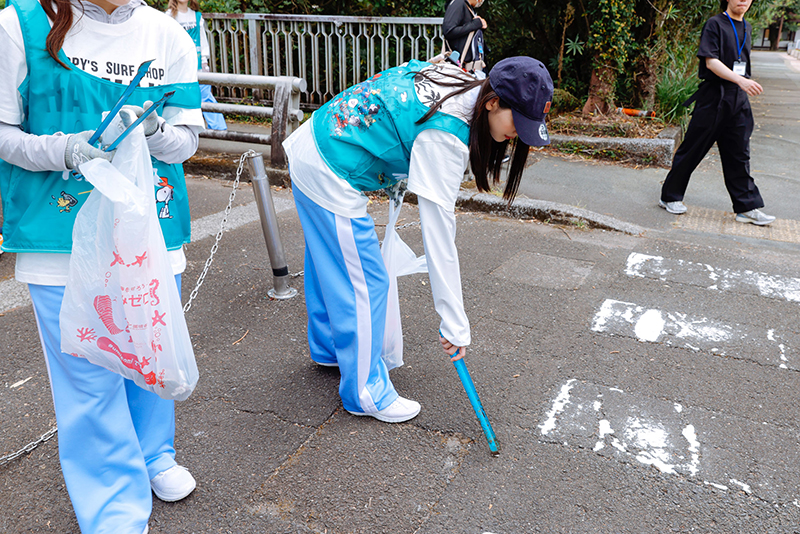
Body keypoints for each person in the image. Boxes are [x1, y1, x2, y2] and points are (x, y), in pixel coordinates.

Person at [0, 0, 205, 531]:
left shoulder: (169, 36)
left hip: (147, 232)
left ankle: (154, 453)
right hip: (56, 238)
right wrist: (65, 149)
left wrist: (155, 129)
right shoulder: (19, 25)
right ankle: (113, 504)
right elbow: (3, 133)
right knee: (87, 379)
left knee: (149, 353)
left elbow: (186, 142)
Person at [283, 56, 553, 423]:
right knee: (367, 281)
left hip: (316, 143)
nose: (518, 133)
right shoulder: (446, 132)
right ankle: (366, 392)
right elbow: (439, 233)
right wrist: (454, 322)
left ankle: (332, 348)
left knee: (330, 263)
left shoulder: (463, 83)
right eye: (517, 121)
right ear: (492, 102)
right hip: (331, 166)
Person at [659, 0, 775, 226]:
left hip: (738, 98)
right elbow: (711, 62)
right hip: (714, 97)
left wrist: (742, 84)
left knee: (739, 154)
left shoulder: (747, 27)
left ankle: (747, 207)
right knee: (692, 149)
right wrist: (741, 80)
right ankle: (669, 196)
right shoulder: (714, 24)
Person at [167, 0, 227, 131]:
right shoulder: (168, 16)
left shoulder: (197, 16)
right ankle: (179, 128)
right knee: (180, 96)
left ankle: (219, 128)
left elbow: (202, 39)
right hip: (178, 64)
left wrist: (205, 61)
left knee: (205, 95)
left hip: (198, 63)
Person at [443, 0, 487, 75]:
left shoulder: (468, 7)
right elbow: (449, 31)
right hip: (458, 66)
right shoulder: (458, 3)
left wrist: (480, 26)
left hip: (468, 67)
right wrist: (475, 24)